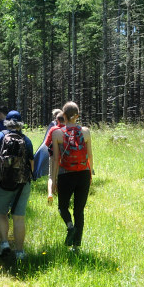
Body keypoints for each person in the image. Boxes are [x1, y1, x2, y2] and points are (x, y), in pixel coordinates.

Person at [0, 110, 35, 261]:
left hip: (1, 182)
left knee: (1, 214)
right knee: (19, 218)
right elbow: (32, 166)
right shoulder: (26, 140)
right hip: (22, 185)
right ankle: (19, 252)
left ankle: (5, 243)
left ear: (7, 121)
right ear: (20, 123)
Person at [49, 101, 94, 250]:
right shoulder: (86, 131)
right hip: (84, 174)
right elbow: (89, 156)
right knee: (79, 210)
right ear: (77, 115)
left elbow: (56, 159)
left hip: (65, 175)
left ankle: (70, 226)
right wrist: (91, 173)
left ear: (63, 115)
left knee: (62, 207)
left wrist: (54, 179)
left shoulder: (57, 133)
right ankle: (76, 246)